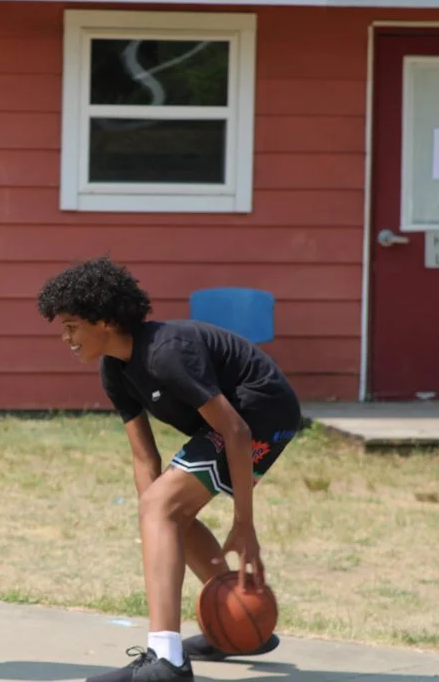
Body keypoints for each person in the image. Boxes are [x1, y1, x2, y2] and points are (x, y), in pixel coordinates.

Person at [36, 257, 301, 682]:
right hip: (232, 420)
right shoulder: (114, 369)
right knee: (162, 510)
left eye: (71, 326)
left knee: (163, 507)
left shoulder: (165, 353)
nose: (66, 338)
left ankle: (167, 661)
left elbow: (235, 429)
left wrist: (244, 523)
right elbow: (145, 457)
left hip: (261, 410)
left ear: (103, 321)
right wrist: (150, 514)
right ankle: (237, 619)